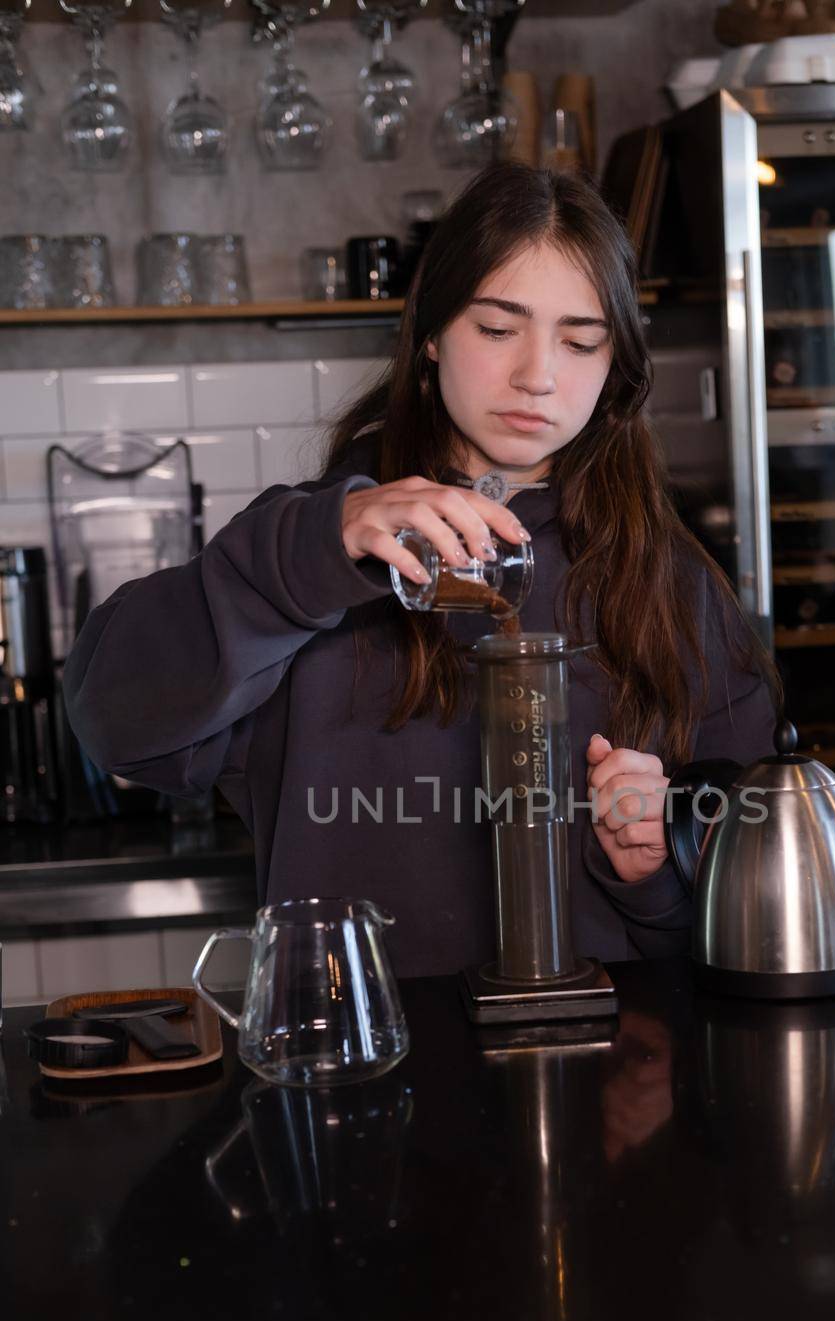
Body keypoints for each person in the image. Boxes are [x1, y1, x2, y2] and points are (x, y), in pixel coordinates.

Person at [63, 163, 780, 980]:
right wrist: (313, 555)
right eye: (498, 328)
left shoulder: (670, 582)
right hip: (361, 1078)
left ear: (614, 367)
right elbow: (112, 723)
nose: (538, 375)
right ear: (432, 331)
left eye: (580, 340)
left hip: (612, 1083)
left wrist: (654, 874)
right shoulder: (310, 546)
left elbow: (756, 918)